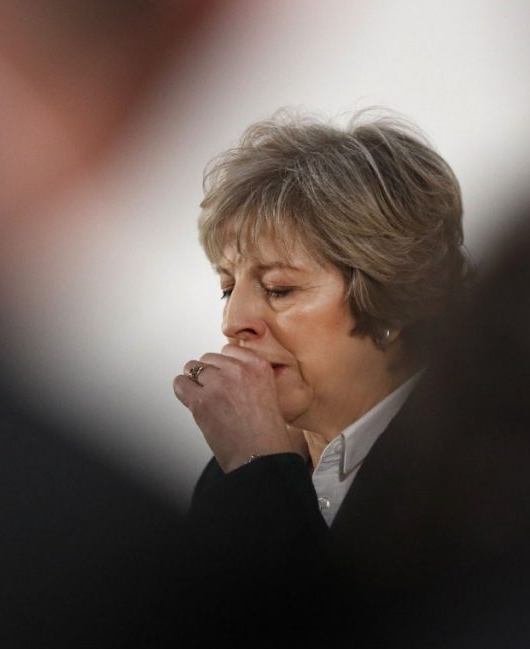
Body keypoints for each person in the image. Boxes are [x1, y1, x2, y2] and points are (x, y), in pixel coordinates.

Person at [171, 110, 468, 644]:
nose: (233, 320)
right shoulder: (228, 477)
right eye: (227, 286)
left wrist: (264, 474)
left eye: (279, 289)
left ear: (393, 298)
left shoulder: (471, 473)